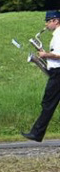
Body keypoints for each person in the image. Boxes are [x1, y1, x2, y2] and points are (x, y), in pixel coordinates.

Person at [22, 10, 60, 142]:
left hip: (58, 74)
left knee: (48, 103)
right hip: (56, 73)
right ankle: (36, 133)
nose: (46, 24)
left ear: (56, 21)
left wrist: (45, 55)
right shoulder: (56, 35)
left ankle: (37, 133)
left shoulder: (59, 35)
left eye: (48, 21)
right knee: (48, 103)